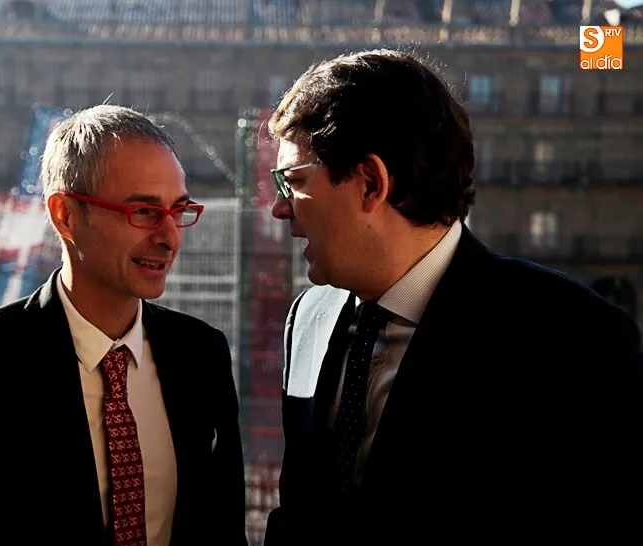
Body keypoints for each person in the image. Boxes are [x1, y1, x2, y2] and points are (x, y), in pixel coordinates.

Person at [262, 49, 643, 543]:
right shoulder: (309, 318)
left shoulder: (574, 337)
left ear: (371, 183)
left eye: (293, 181)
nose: (277, 208)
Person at [0, 105, 247, 546]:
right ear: (65, 215)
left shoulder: (200, 353)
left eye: (178, 211)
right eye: (143, 211)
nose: (170, 236)